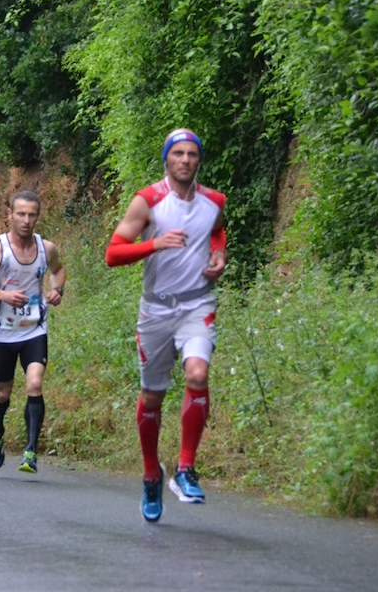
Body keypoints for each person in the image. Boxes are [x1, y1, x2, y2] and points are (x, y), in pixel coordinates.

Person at [104, 128, 228, 523]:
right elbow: (112, 253)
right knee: (152, 397)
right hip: (156, 311)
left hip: (197, 305)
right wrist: (153, 244)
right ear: (167, 160)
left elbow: (217, 231)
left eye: (193, 154)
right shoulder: (149, 201)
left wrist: (219, 255)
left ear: (199, 161)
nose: (186, 160)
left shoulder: (214, 202)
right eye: (179, 154)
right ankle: (150, 474)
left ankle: (185, 468)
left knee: (198, 373)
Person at [0, 191, 66, 475]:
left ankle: (30, 451)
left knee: (34, 384)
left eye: (31, 214)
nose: (26, 220)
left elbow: (59, 271)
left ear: (38, 216)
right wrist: (4, 295)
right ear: (9, 215)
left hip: (35, 328)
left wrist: (57, 289)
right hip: (3, 333)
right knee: (3, 392)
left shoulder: (46, 248)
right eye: (20, 214)